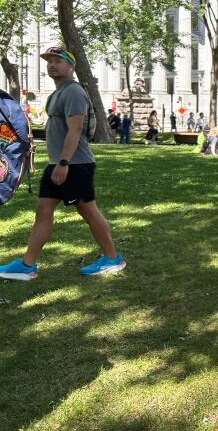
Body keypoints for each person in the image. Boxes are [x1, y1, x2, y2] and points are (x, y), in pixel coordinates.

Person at [0, 46, 125, 280]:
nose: (52, 64)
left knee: (88, 210)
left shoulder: (74, 91)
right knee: (43, 210)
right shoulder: (58, 92)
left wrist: (64, 162)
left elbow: (76, 129)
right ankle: (27, 265)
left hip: (74, 164)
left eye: (58, 60)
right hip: (58, 163)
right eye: (49, 61)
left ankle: (112, 258)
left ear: (71, 66)